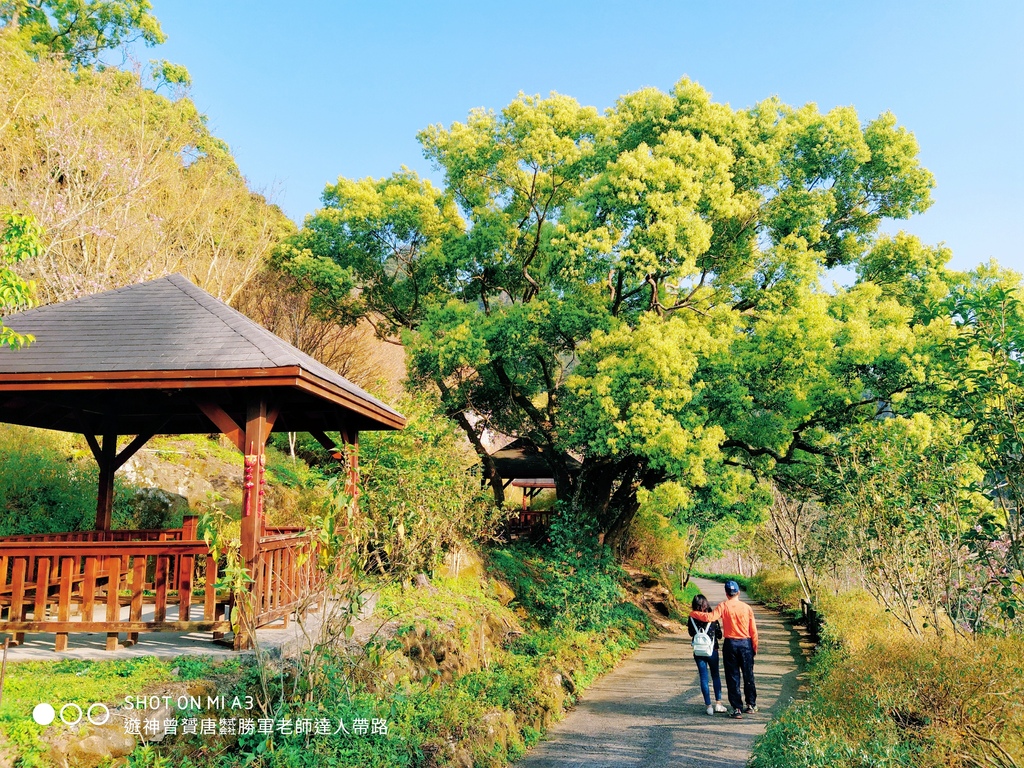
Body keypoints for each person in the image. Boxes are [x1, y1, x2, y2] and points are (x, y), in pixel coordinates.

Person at [689, 580, 758, 719]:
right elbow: (753, 631)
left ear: (726, 594)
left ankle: (737, 708)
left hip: (730, 644)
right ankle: (751, 704)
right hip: (745, 643)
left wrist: (693, 613)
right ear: (738, 592)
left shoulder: (723, 606)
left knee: (732, 677)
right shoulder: (747, 608)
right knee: (748, 675)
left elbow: (710, 617)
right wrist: (754, 647)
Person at [687, 594, 728, 716]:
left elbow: (691, 633)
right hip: (712, 650)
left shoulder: (692, 617)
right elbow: (719, 635)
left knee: (703, 677)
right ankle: (718, 704)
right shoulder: (712, 617)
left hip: (698, 652)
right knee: (715, 676)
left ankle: (708, 706)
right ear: (706, 604)